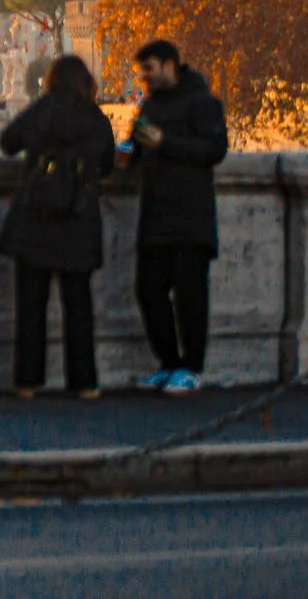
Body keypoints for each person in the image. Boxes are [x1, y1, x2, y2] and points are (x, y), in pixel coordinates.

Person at [0, 55, 115, 399]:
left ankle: (27, 381)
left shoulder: (42, 110)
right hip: (78, 220)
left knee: (30, 304)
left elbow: (7, 143)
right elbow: (106, 165)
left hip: (36, 217)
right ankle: (85, 383)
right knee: (78, 305)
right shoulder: (95, 119)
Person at [117, 39, 229, 395]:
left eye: (148, 69)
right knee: (148, 291)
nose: (144, 78)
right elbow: (137, 147)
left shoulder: (204, 103)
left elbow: (214, 150)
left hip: (191, 215)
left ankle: (192, 367)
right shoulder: (149, 104)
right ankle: (169, 363)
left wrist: (165, 143)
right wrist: (126, 152)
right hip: (155, 213)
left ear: (168, 65)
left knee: (190, 296)